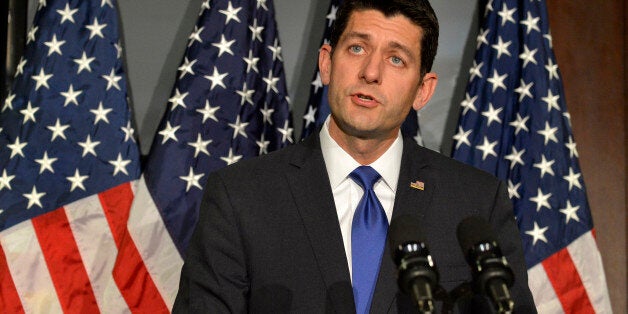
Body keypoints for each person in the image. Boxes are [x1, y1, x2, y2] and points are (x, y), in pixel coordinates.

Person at [173, 0, 537, 313]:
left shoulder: (475, 202)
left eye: (396, 59)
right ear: (327, 63)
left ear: (422, 91)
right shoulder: (241, 196)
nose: (371, 73)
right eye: (358, 49)